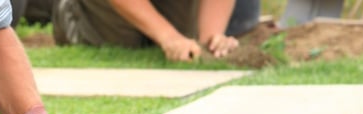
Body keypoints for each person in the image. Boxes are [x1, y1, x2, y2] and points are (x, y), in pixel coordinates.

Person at [15, 0, 261, 62]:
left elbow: (207, 40)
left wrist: (210, 38)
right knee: (121, 39)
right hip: (91, 14)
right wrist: (168, 37)